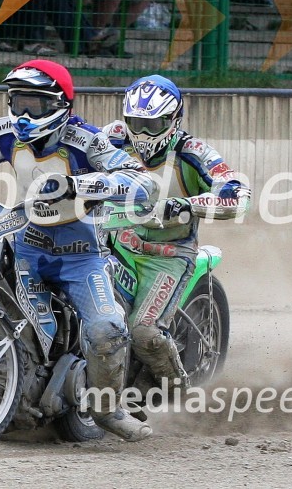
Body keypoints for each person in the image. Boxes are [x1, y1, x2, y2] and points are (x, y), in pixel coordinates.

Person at [0, 59, 156, 441]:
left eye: (34, 105)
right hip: (27, 251)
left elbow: (143, 183)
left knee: (106, 329)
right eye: (18, 102)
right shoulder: (6, 135)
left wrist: (82, 185)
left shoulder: (86, 141)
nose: (23, 115)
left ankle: (108, 410)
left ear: (59, 104)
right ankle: (0, 410)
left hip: (82, 256)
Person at [103, 75, 250, 391]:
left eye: (153, 124)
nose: (143, 132)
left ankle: (177, 391)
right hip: (114, 240)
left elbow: (236, 192)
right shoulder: (112, 138)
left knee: (144, 332)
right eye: (136, 122)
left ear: (173, 119)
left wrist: (188, 204)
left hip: (167, 254)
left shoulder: (193, 152)